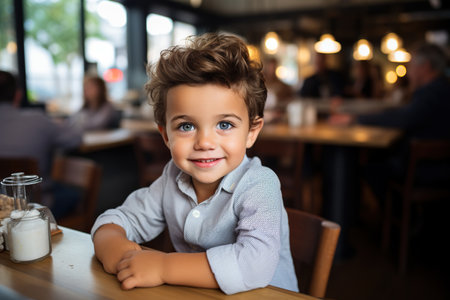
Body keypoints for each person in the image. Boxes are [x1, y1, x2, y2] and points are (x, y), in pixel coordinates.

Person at [91, 33, 298, 295]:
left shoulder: (260, 184)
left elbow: (254, 265)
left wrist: (164, 266)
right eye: (186, 126)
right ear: (166, 135)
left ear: (251, 132)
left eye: (224, 125)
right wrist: (111, 242)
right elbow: (122, 218)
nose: (204, 142)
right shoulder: (172, 177)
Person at [329, 43, 450, 205]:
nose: (409, 72)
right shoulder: (442, 88)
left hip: (429, 169)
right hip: (438, 166)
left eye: (411, 66)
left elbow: (403, 118)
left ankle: (401, 217)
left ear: (425, 67)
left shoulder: (431, 93)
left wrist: (356, 119)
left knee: (371, 168)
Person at [0, 70, 83, 218]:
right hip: (35, 208)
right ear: (18, 95)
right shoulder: (37, 121)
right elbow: (75, 138)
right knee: (75, 194)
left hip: (3, 212)